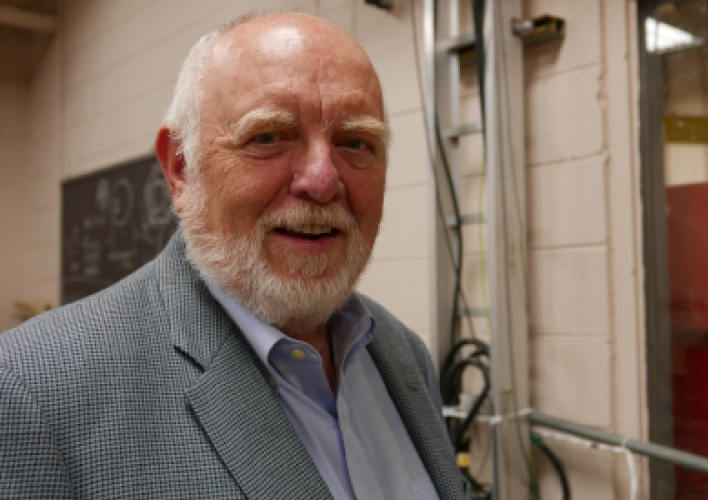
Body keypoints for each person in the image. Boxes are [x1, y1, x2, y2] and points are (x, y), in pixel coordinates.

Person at [0, 13, 466, 499]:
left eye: (355, 142)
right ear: (180, 167)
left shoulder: (403, 354)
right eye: (269, 137)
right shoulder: (33, 391)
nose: (323, 180)